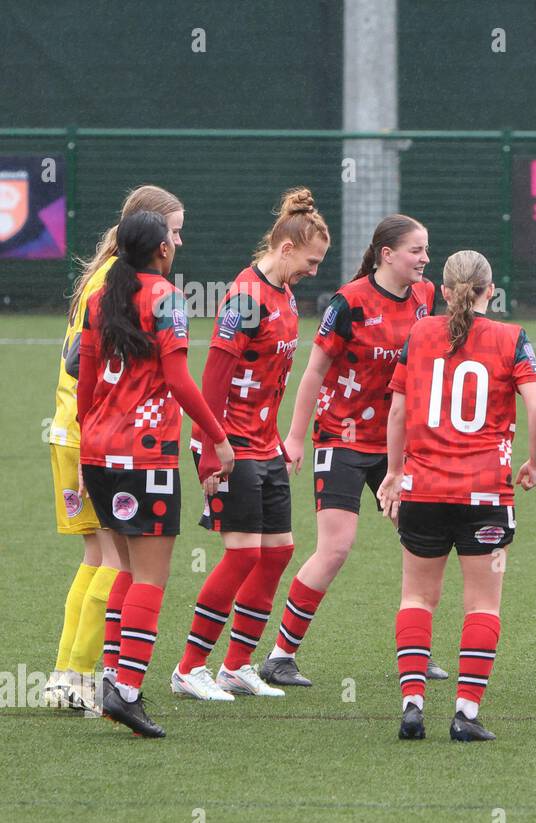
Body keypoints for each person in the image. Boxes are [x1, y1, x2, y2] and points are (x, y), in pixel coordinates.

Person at [262, 215, 441, 687]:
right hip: (340, 439)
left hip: (395, 444)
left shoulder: (426, 297)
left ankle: (417, 651)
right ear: (387, 254)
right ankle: (280, 656)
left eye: (426, 250)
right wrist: (295, 437)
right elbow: (314, 372)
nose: (425, 259)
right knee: (336, 548)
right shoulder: (349, 302)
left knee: (421, 541)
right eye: (416, 250)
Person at [378, 249, 536, 742]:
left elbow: (396, 413)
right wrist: (534, 463)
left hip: (424, 491)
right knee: (482, 606)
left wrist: (395, 473)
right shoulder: (511, 337)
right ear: (489, 291)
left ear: (444, 291)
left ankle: (412, 705)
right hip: (486, 496)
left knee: (416, 597)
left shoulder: (420, 332)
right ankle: (465, 714)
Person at [77, 210, 234, 737]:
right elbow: (180, 381)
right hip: (145, 455)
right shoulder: (166, 297)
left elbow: (86, 381)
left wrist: (86, 445)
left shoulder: (101, 296)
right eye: (173, 236)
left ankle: (111, 678)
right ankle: (126, 692)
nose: (178, 242)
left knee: (126, 569)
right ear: (161, 249)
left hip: (99, 450)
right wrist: (218, 436)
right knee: (149, 578)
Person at [172, 187, 330, 700]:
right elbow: (214, 379)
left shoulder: (285, 294)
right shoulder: (245, 297)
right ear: (285, 249)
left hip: (264, 446)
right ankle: (188, 668)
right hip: (230, 443)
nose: (314, 271)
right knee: (241, 555)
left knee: (278, 551)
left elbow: (270, 380)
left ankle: (236, 666)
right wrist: (209, 449)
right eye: (310, 261)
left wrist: (279, 438)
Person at [44, 185, 184, 714]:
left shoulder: (105, 274)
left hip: (77, 430)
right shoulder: (120, 282)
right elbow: (86, 364)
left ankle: (68, 674)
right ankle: (86, 676)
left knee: (97, 557)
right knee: (116, 562)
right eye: (174, 230)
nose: (178, 241)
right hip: (102, 435)